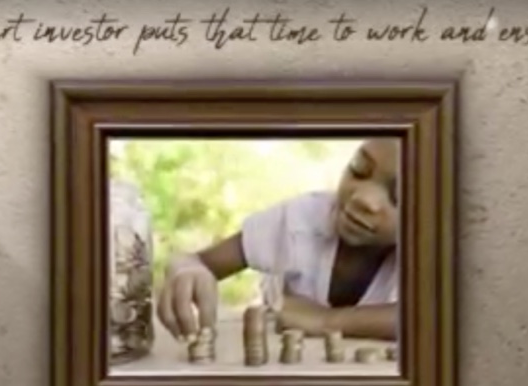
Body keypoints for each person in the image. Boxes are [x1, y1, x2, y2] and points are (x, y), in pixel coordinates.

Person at [156, 138, 400, 343]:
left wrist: (327, 320)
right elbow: (195, 261)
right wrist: (186, 270)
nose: (363, 199)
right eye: (359, 168)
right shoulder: (302, 219)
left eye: (401, 195)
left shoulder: (419, 248)